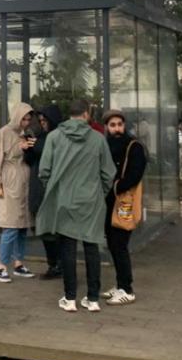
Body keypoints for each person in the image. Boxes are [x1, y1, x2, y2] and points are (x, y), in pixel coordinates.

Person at [37, 99, 116, 313]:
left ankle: (70, 298)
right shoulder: (98, 139)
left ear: (69, 113)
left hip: (63, 199)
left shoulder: (54, 137)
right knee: (92, 247)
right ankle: (92, 299)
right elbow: (108, 173)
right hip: (91, 199)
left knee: (68, 248)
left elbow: (44, 171)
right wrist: (100, 192)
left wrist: (56, 190)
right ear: (87, 114)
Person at [102, 109, 147, 306]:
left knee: (120, 244)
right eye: (113, 125)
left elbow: (136, 173)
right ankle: (120, 284)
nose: (117, 129)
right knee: (113, 243)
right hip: (109, 202)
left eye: (120, 124)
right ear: (107, 127)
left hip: (123, 201)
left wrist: (117, 186)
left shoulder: (133, 146)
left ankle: (127, 289)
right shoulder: (106, 145)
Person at [0, 102, 37, 282]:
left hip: (24, 178)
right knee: (10, 225)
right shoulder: (4, 132)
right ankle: (2, 266)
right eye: (23, 118)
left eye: (28, 119)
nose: (25, 122)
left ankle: (18, 262)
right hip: (10, 179)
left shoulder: (25, 133)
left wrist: (30, 147)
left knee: (22, 224)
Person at [23, 105, 64, 279]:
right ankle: (53, 264)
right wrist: (29, 149)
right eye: (40, 121)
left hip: (52, 189)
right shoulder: (41, 137)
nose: (43, 124)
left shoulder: (58, 138)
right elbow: (31, 160)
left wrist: (38, 146)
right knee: (44, 229)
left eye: (45, 121)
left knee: (54, 230)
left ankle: (59, 264)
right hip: (38, 187)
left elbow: (55, 156)